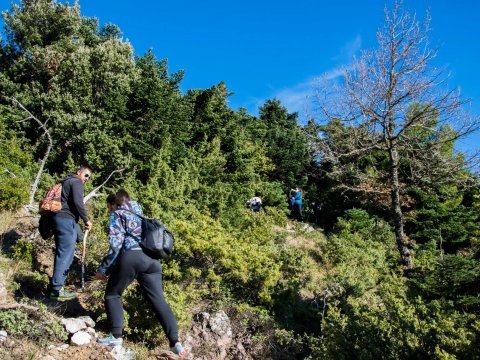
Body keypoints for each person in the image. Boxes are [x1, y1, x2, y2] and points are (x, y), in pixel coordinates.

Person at [95, 190, 186, 356]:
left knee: (113, 295)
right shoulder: (137, 209)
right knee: (159, 301)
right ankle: (175, 343)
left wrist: (103, 269)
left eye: (109, 207)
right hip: (152, 260)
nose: (109, 211)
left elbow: (116, 245)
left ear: (113, 204)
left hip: (131, 256)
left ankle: (115, 336)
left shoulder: (117, 214)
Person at [48, 165, 93, 301]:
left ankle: (55, 287)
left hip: (58, 219)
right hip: (66, 220)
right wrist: (87, 220)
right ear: (79, 172)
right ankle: (56, 290)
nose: (86, 179)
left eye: (89, 178)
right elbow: (78, 202)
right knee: (65, 255)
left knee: (62, 253)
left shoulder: (66, 181)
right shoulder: (76, 182)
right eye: (86, 175)